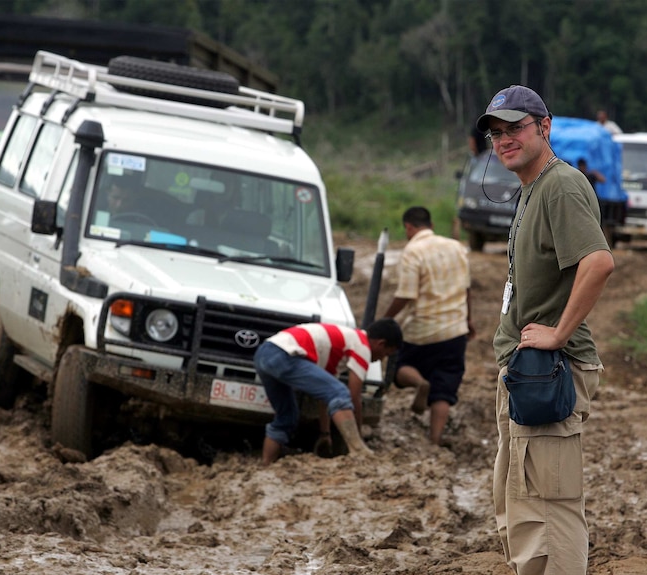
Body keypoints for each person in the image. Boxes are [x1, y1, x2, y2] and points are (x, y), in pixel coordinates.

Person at [476, 85, 615, 574]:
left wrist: (557, 334)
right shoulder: (532, 188)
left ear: (544, 126)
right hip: (525, 369)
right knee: (521, 506)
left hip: (552, 369)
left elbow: (597, 262)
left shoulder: (561, 185)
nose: (504, 140)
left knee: (550, 513)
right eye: (496, 132)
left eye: (514, 127)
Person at [382, 206, 474, 446]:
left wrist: (385, 319)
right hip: (454, 329)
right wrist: (468, 320)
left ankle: (419, 383)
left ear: (408, 228)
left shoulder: (413, 251)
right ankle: (435, 439)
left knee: (401, 367)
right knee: (445, 384)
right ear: (431, 226)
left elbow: (406, 294)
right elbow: (466, 289)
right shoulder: (456, 247)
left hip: (421, 329)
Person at [254, 318, 403, 466]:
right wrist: (359, 440)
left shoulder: (339, 350)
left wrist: (325, 433)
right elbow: (354, 396)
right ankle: (357, 450)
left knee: (286, 417)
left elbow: (324, 396)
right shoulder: (362, 345)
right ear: (381, 343)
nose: (380, 360)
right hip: (284, 354)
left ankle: (266, 465)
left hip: (264, 353)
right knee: (340, 392)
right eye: (386, 354)